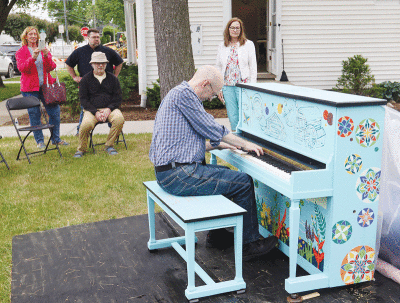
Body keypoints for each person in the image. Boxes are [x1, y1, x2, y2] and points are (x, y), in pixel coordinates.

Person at [149, 65, 277, 260]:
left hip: (170, 172)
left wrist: (218, 146)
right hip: (177, 176)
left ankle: (216, 235)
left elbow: (186, 143)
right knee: (242, 183)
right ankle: (249, 245)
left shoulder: (178, 93)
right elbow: (213, 128)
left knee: (224, 175)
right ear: (205, 84)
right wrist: (245, 144)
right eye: (213, 93)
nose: (211, 98)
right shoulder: (185, 96)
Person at [16, 26, 69, 148]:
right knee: (34, 114)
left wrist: (46, 55)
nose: (33, 36)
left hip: (46, 86)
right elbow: (22, 68)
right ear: (26, 36)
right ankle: (40, 141)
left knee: (54, 112)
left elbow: (51, 67)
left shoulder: (44, 49)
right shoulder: (21, 52)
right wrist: (33, 57)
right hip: (29, 89)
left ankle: (55, 139)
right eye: (30, 34)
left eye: (35, 34)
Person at [65, 28, 124, 135]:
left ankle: (115, 131)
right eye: (94, 37)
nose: (96, 39)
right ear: (88, 38)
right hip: (87, 86)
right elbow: (68, 64)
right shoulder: (80, 51)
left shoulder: (107, 51)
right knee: (86, 108)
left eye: (98, 37)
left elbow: (119, 62)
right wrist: (74, 77)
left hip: (107, 86)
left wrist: (115, 76)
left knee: (111, 107)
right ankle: (81, 131)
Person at [73, 52, 125, 158]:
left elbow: (118, 98)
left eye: (103, 63)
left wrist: (109, 109)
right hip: (91, 110)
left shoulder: (113, 79)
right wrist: (95, 112)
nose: (100, 65)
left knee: (119, 119)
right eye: (97, 63)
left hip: (110, 110)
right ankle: (81, 149)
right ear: (92, 64)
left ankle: (109, 145)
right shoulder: (85, 80)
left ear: (106, 64)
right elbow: (83, 100)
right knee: (85, 125)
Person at [216, 17, 257, 132]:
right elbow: (218, 66)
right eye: (232, 27)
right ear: (228, 29)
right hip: (227, 86)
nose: (235, 30)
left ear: (241, 30)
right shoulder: (222, 46)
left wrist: (252, 86)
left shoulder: (248, 45)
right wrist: (219, 87)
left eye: (237, 28)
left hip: (243, 85)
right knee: (232, 114)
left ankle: (247, 136)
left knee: (245, 112)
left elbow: (253, 67)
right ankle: (236, 137)